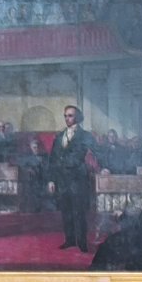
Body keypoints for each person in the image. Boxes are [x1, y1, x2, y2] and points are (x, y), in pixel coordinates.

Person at [47, 105, 98, 251]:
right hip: (62, 181)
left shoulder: (86, 136)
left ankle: (82, 243)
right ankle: (69, 240)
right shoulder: (59, 136)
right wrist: (51, 180)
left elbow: (97, 152)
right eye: (65, 116)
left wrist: (104, 167)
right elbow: (53, 160)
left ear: (78, 117)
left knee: (79, 212)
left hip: (78, 180)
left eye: (70, 115)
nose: (67, 118)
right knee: (66, 212)